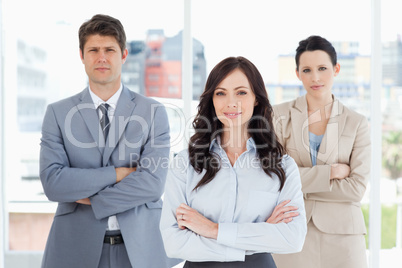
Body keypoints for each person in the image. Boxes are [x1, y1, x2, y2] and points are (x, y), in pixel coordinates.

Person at [40, 14, 179, 268]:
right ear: (81, 55)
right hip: (73, 248)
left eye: (109, 50)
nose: (101, 57)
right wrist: (118, 174)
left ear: (124, 55)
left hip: (141, 250)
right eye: (93, 50)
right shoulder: (58, 113)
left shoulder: (153, 112)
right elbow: (53, 184)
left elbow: (151, 185)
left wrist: (92, 199)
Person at [160, 56, 307, 268]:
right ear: (211, 99)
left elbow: (293, 238)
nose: (231, 103)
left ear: (257, 98)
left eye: (241, 92)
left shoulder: (282, 166)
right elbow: (174, 244)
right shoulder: (185, 164)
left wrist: (212, 230)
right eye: (220, 93)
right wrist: (260, 233)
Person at [272, 35, 370, 268]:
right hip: (291, 232)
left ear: (336, 69)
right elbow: (274, 178)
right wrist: (330, 173)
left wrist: (300, 183)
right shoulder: (277, 116)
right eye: (306, 70)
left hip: (344, 239)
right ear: (297, 73)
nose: (315, 77)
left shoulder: (357, 123)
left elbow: (356, 189)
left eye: (322, 68)